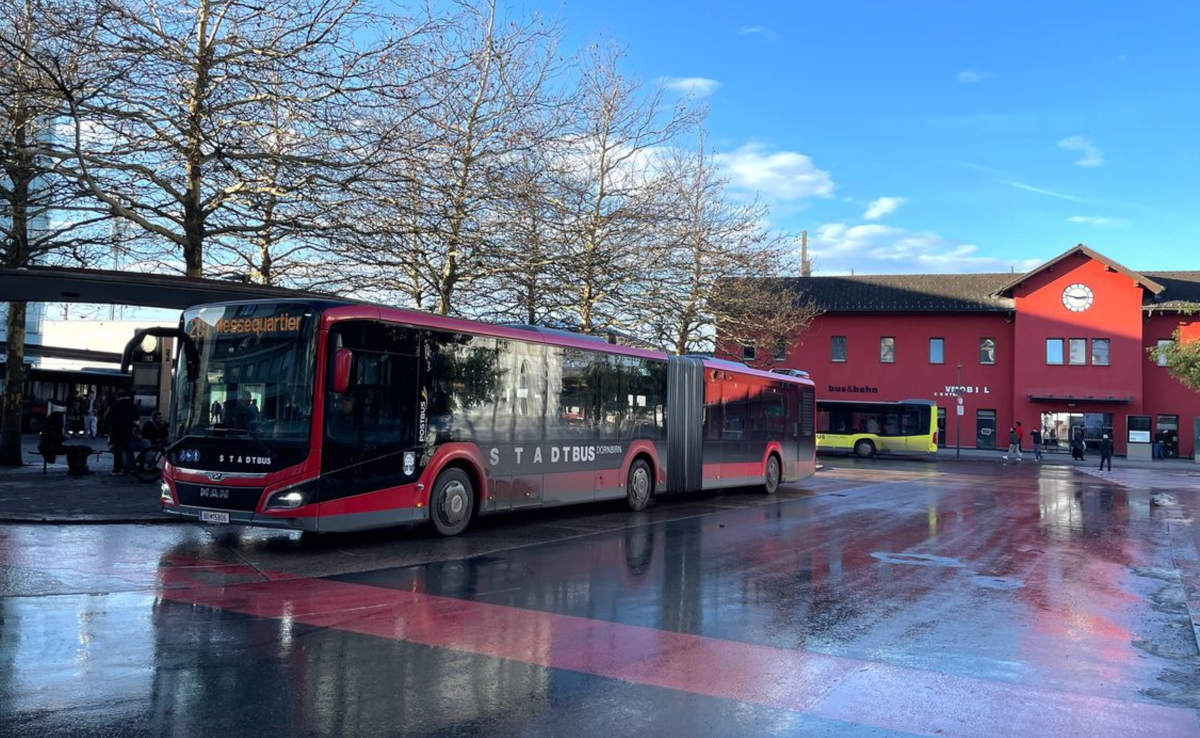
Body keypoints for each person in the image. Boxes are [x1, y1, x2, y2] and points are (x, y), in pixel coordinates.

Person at [106, 392, 138, 474]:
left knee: (117, 450)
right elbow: (136, 418)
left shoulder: (115, 405)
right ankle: (132, 468)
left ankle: (117, 469)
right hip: (128, 431)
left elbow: (107, 417)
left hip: (116, 431)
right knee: (129, 450)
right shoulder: (132, 405)